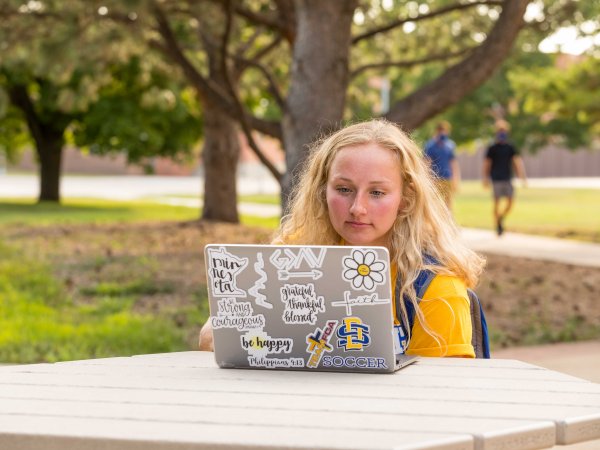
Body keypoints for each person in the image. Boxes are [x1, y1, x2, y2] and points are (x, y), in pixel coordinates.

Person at [199, 119, 485, 357]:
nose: (357, 208)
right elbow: (213, 336)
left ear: (406, 198)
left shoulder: (436, 288)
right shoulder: (294, 255)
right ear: (322, 190)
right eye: (344, 189)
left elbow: (442, 400)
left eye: (377, 193)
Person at [482, 120, 527, 236]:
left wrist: (522, 177)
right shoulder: (492, 148)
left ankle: (501, 218)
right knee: (496, 203)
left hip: (507, 178)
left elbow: (517, 162)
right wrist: (485, 178)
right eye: (500, 131)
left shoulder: (510, 147)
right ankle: (497, 226)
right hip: (496, 178)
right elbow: (487, 163)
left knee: (510, 201)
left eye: (504, 131)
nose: (502, 133)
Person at [423, 120, 460, 211]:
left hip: (447, 177)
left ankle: (448, 222)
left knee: (448, 202)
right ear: (437, 131)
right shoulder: (430, 145)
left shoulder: (450, 145)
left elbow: (453, 163)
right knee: (434, 202)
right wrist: (427, 178)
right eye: (441, 130)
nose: (443, 133)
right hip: (435, 179)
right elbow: (426, 162)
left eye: (445, 130)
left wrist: (456, 178)